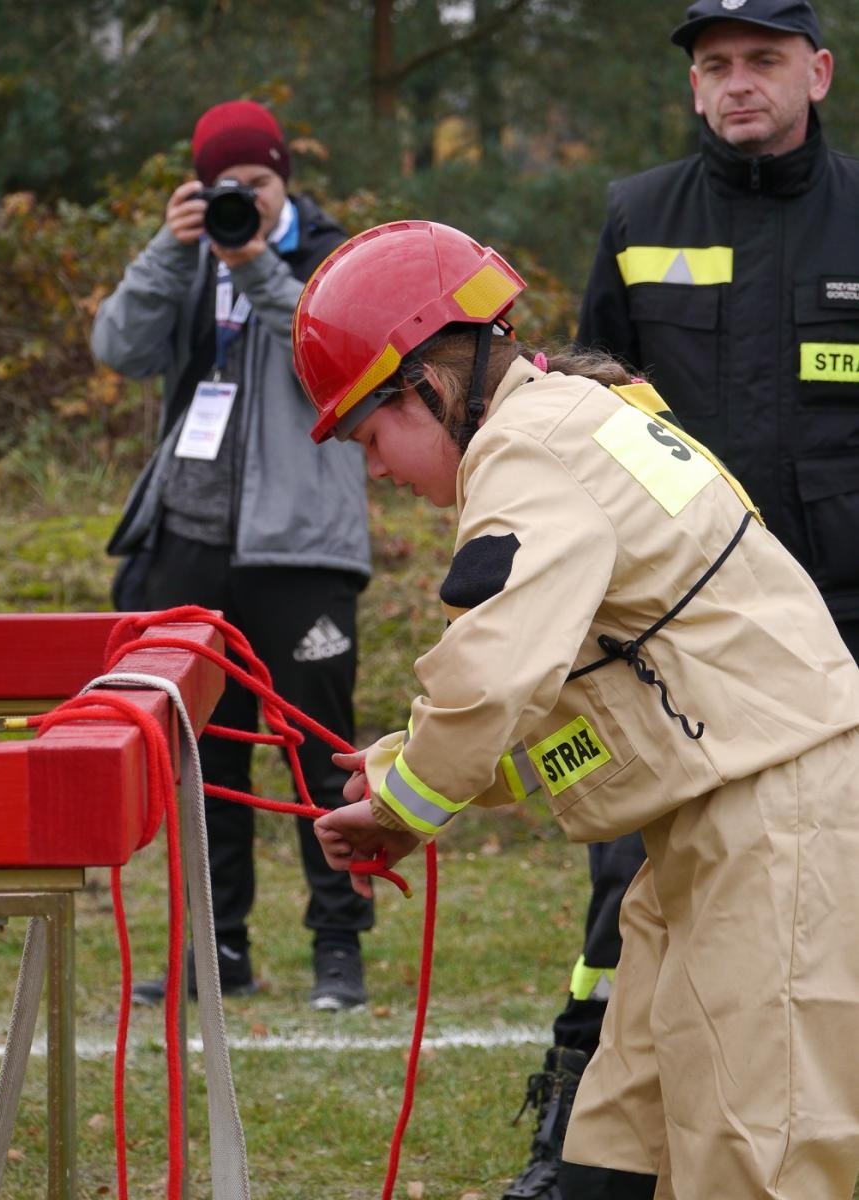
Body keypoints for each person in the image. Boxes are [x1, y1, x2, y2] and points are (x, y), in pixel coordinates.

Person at [293, 218, 859, 1200]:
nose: (376, 469)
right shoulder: (576, 420)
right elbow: (593, 704)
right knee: (630, 1130)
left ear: (427, 378)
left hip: (774, 827)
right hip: (733, 814)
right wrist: (410, 772)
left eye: (369, 434)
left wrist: (405, 806)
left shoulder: (527, 451)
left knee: (760, 1154)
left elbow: (494, 670)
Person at [504, 2, 859, 1194]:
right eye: (715, 65)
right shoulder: (637, 216)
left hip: (840, 642)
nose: (737, 82)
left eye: (762, 60)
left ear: (817, 70)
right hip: (679, 642)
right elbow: (590, 422)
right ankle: (586, 1140)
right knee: (632, 899)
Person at [91, 99, 374, 1011]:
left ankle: (338, 949)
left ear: (283, 177)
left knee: (316, 754)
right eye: (222, 188)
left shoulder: (334, 257)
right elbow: (116, 348)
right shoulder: (186, 253)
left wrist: (254, 264)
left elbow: (336, 352)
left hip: (302, 545)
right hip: (193, 538)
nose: (238, 201)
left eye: (253, 185)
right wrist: (169, 250)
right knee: (204, 751)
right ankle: (219, 952)